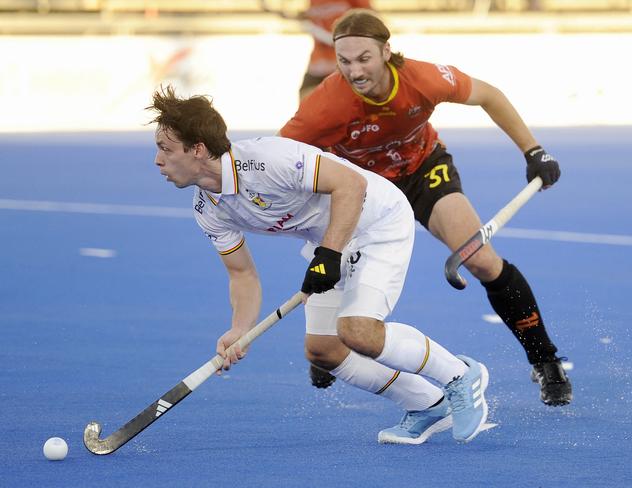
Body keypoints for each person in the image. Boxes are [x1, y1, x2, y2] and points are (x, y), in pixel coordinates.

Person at [148, 86, 490, 445]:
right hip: (330, 241)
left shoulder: (267, 160)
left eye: (166, 149)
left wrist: (329, 253)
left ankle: (460, 375)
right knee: (323, 349)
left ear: (198, 149)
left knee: (358, 330)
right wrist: (239, 329)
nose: (158, 160)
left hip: (377, 221)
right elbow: (242, 273)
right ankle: (427, 405)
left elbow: (351, 184)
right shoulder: (207, 209)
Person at [279, 9, 572, 406]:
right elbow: (280, 157)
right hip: (362, 190)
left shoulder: (421, 78)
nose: (354, 71)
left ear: (386, 51)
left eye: (364, 58)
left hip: (422, 170)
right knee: (334, 274)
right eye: (344, 61)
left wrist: (533, 150)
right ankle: (328, 341)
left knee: (483, 261)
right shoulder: (326, 104)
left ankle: (545, 360)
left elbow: (488, 94)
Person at [297, 0, 373, 101]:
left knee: (346, 106)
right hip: (318, 64)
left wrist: (314, 30)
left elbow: (369, 26)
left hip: (345, 66)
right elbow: (316, 20)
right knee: (306, 103)